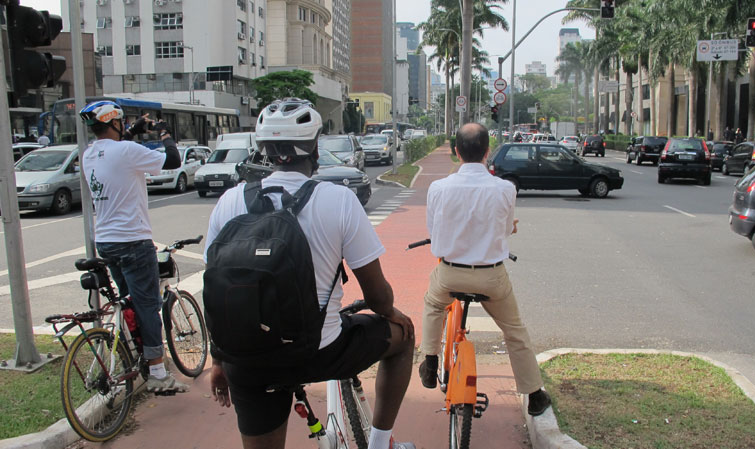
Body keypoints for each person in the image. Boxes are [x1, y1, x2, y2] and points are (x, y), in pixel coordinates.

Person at [205, 98, 415, 449]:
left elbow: (215, 291)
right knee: (403, 340)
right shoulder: (338, 200)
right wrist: (392, 313)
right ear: (314, 148)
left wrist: (219, 359)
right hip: (319, 350)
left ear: (264, 149)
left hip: (247, 359)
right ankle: (379, 444)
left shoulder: (229, 201)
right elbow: (378, 297)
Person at [418, 122, 552, 417]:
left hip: (450, 272)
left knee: (432, 304)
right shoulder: (505, 189)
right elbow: (505, 230)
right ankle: (534, 394)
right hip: (492, 277)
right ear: (487, 152)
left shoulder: (438, 188)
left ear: (456, 152)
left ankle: (429, 359)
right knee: (514, 331)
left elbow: (433, 229)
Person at [79, 101, 187, 393]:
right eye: (122, 122)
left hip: (107, 242)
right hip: (133, 241)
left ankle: (132, 353)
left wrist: (132, 131)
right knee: (148, 305)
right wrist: (164, 133)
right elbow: (174, 160)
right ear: (114, 123)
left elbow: (115, 152)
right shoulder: (127, 151)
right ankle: (156, 371)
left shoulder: (89, 154)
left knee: (128, 301)